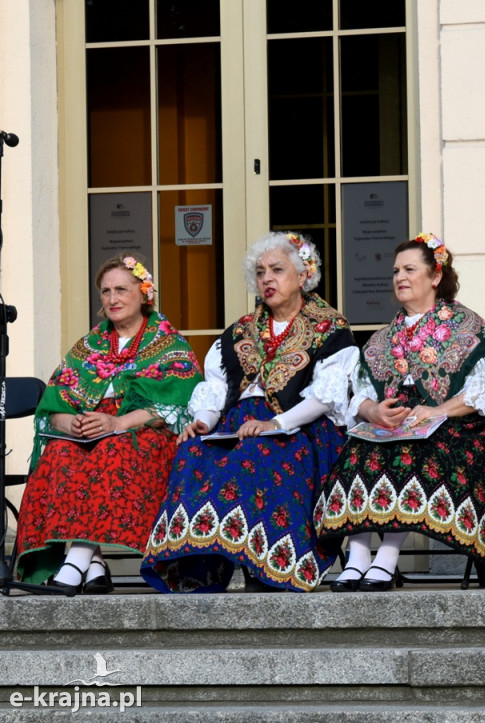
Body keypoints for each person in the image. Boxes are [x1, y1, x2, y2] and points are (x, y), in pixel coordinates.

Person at [141, 232, 357, 592]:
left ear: (304, 276)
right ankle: (198, 571)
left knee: (255, 457)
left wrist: (275, 422)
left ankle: (268, 566)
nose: (267, 279)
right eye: (260, 272)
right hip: (237, 425)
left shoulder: (329, 327)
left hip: (300, 428)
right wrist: (203, 422)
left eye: (277, 270)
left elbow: (325, 398)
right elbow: (216, 387)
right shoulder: (239, 331)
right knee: (193, 452)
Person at [315, 233, 485, 592]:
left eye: (409, 269)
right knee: (357, 451)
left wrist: (436, 411)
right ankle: (357, 560)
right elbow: (360, 393)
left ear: (435, 276)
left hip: (456, 427)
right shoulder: (383, 338)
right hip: (396, 423)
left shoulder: (468, 327)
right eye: (395, 271)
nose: (400, 277)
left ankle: (386, 560)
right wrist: (373, 411)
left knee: (409, 453)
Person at [14, 254, 201, 593]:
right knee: (59, 454)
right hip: (89, 430)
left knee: (112, 451)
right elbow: (54, 400)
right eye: (105, 291)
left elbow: (178, 403)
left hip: (141, 432)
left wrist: (117, 422)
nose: (112, 299)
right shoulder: (90, 345)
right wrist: (69, 423)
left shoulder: (168, 342)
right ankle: (95, 564)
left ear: (144, 293)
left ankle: (75, 564)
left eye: (121, 289)